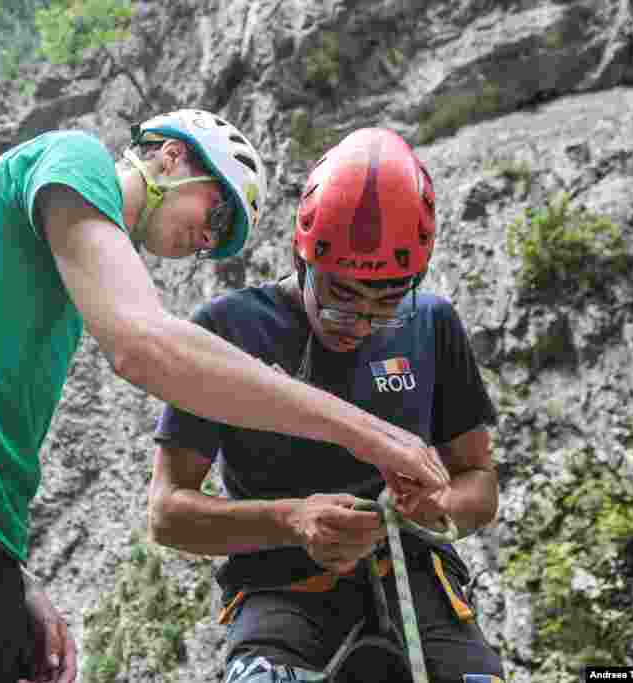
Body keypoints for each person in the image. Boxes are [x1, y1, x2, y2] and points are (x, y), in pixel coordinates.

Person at [0, 111, 451, 683]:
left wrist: (12, 574)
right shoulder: (72, 156)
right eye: (216, 213)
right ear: (171, 154)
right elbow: (147, 345)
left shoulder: (66, 284)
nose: (207, 240)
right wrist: (370, 432)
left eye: (221, 240)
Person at [149, 128, 504, 682]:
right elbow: (168, 513)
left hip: (414, 572)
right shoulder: (229, 331)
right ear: (301, 257)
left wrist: (442, 508)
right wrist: (292, 519)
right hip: (280, 584)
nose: (361, 326)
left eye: (386, 305)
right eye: (341, 299)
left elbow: (478, 481)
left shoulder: (432, 325)